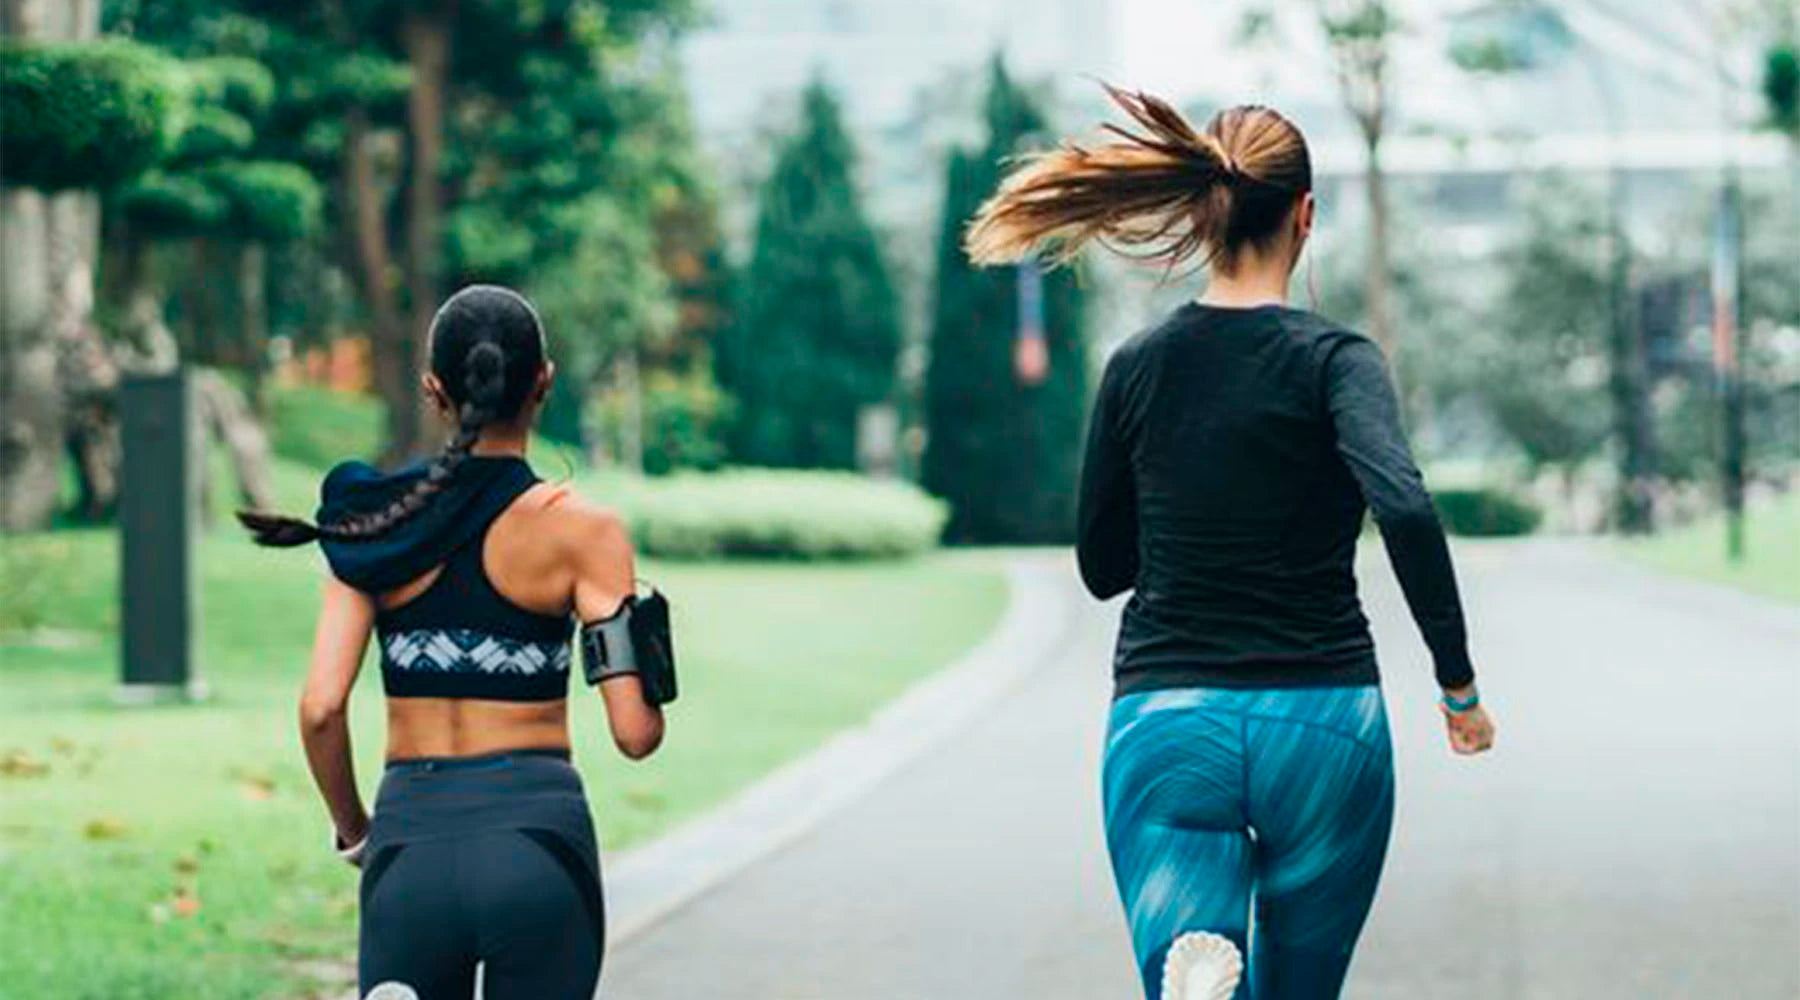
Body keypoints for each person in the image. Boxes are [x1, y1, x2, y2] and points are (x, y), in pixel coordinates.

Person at [965, 87, 1496, 1000]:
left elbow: (1101, 569)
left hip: (1171, 723)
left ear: (1203, 212)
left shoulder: (1136, 366)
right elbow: (1403, 507)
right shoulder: (1338, 362)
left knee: (1196, 962)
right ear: (1305, 215)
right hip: (1322, 724)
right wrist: (1459, 688)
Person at [239, 284, 664, 1000]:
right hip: (541, 850)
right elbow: (635, 733)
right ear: (544, 383)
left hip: (411, 854)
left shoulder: (374, 524)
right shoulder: (586, 532)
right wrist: (648, 644)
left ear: (434, 389)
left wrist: (357, 834)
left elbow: (320, 707)